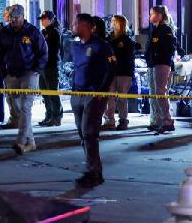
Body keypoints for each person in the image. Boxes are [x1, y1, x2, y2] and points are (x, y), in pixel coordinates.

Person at [70, 14, 117, 188]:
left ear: (85, 26)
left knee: (89, 133)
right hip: (78, 94)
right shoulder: (76, 46)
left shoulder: (101, 45)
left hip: (94, 95)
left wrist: (102, 90)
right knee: (82, 134)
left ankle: (95, 172)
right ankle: (91, 168)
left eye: (76, 24)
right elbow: (77, 69)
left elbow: (112, 68)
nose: (73, 26)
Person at [0, 4, 48, 154]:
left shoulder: (32, 31)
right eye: (11, 17)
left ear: (23, 16)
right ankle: (31, 142)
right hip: (11, 74)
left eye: (16, 17)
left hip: (29, 73)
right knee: (19, 110)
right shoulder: (4, 32)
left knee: (26, 107)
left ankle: (20, 141)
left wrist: (36, 70)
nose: (13, 20)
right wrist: (4, 73)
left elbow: (43, 52)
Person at [145, 5, 175, 134]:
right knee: (155, 93)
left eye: (152, 14)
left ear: (159, 15)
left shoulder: (165, 29)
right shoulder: (155, 30)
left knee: (161, 92)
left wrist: (158, 56)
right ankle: (158, 120)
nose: (150, 16)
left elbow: (170, 47)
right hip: (153, 64)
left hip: (161, 63)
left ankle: (167, 121)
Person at [103, 15, 135, 130]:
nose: (111, 23)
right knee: (109, 96)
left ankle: (123, 120)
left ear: (119, 24)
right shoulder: (109, 38)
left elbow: (126, 56)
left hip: (124, 72)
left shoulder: (127, 40)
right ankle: (109, 120)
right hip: (111, 71)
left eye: (113, 21)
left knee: (122, 97)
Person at [38, 11, 63, 127]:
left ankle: (56, 116)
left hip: (51, 66)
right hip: (43, 67)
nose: (42, 21)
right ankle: (49, 116)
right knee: (45, 92)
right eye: (42, 19)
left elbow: (53, 50)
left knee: (52, 93)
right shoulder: (43, 32)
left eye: (45, 19)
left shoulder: (54, 32)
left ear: (51, 20)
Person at [0, 5, 21, 129]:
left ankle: (19, 120)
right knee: (9, 97)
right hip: (7, 69)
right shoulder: (5, 31)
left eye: (8, 15)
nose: (7, 17)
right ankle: (13, 119)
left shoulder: (21, 31)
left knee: (16, 98)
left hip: (17, 71)